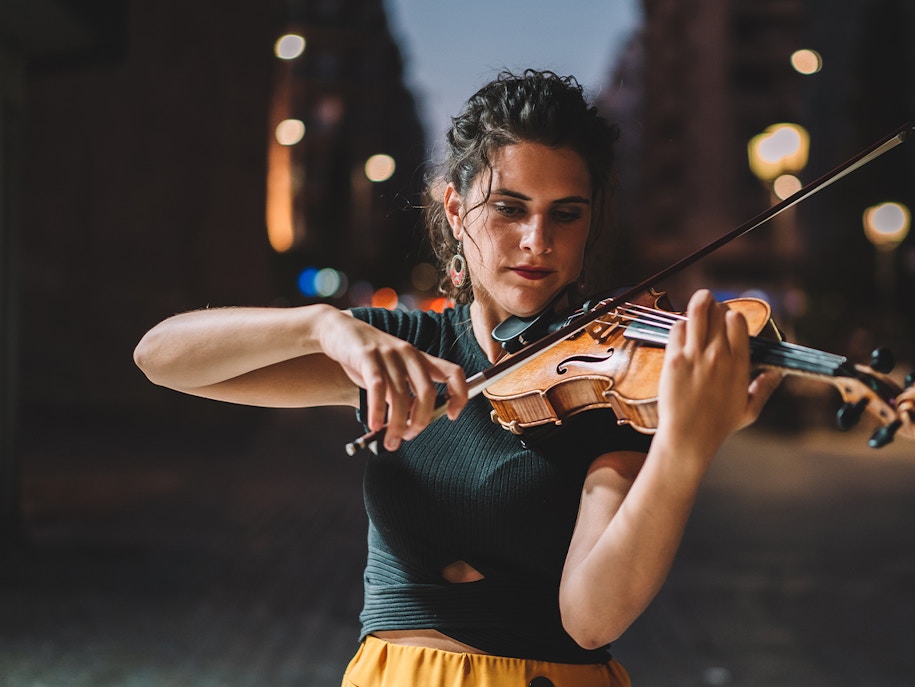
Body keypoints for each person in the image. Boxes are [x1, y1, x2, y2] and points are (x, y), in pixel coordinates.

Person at [134, 69, 781, 686]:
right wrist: (321, 326)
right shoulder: (400, 346)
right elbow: (161, 356)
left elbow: (591, 618)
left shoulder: (610, 384)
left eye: (566, 213)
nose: (536, 240)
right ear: (455, 208)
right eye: (509, 207)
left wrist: (682, 451)